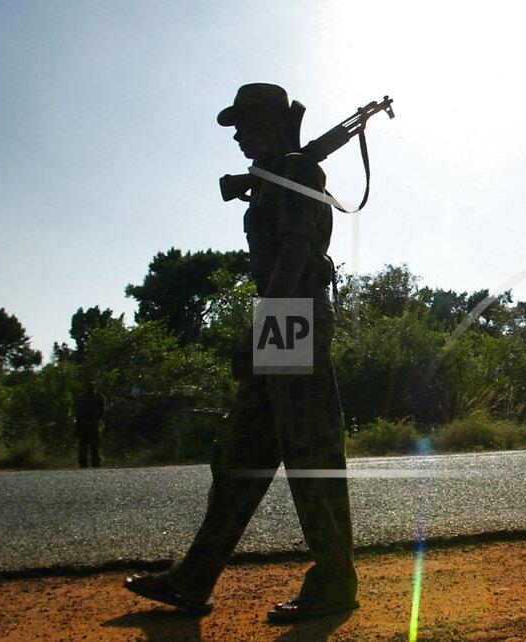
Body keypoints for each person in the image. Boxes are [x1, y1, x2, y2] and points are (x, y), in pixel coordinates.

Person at [125, 84, 358, 621]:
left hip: (291, 317)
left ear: (277, 125)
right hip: (282, 319)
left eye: (249, 127)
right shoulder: (274, 177)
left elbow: (297, 253)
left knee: (310, 457)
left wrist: (263, 328)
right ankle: (194, 577)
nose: (239, 137)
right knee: (240, 458)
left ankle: (334, 583)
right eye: (237, 129)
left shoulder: (298, 172)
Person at [74, 379, 104, 468]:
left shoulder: (98, 397)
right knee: (83, 446)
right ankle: (83, 465)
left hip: (93, 422)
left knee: (94, 445)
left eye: (91, 386)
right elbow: (78, 412)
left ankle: (96, 464)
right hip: (84, 423)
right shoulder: (81, 397)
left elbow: (102, 410)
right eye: (89, 386)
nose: (90, 388)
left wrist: (97, 419)